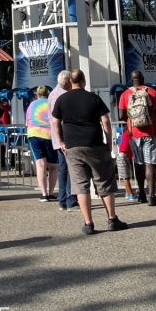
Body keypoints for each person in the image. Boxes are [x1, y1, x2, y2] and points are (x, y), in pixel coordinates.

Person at [52, 69, 126, 234]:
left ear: (70, 81)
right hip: (94, 144)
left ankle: (88, 224)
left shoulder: (62, 99)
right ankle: (112, 219)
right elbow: (105, 121)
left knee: (80, 185)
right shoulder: (94, 98)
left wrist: (61, 142)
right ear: (83, 80)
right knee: (104, 182)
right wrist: (108, 142)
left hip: (72, 147)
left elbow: (56, 122)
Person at [118, 70, 156, 206]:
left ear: (131, 79)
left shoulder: (125, 94)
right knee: (149, 164)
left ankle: (141, 194)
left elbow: (121, 114)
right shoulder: (152, 93)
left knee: (138, 163)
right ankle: (152, 196)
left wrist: (130, 121)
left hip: (133, 134)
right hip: (151, 132)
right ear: (143, 79)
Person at [48, 70, 78, 211]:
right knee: (70, 168)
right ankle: (70, 200)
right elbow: (60, 120)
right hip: (65, 137)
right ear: (66, 81)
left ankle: (63, 200)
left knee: (63, 169)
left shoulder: (52, 93)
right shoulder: (64, 95)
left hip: (57, 137)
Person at [26, 86, 58, 201]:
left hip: (34, 134)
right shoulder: (51, 103)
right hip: (49, 134)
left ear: (37, 95)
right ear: (47, 94)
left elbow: (27, 121)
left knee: (40, 165)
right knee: (53, 166)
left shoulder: (32, 105)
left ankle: (43, 194)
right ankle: (51, 193)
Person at [116, 128, 137, 201]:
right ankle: (131, 194)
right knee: (126, 178)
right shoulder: (128, 134)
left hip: (123, 157)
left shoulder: (124, 135)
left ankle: (127, 193)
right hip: (123, 157)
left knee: (126, 177)